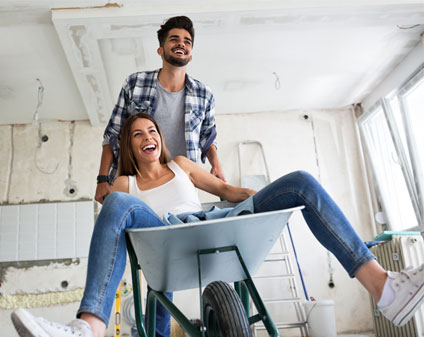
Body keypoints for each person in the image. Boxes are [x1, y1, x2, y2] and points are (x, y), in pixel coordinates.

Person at [11, 113, 424, 337]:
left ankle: (383, 287)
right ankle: (89, 328)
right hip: (163, 237)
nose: (147, 136)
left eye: (152, 129)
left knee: (300, 180)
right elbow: (117, 214)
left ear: (160, 138)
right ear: (130, 146)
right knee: (118, 204)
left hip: (218, 227)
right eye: (137, 134)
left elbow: (228, 192)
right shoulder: (126, 183)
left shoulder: (182, 164)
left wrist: (268, 201)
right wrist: (104, 182)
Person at [95, 15, 225, 205]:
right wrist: (102, 179)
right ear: (160, 50)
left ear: (190, 55)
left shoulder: (204, 94)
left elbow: (208, 136)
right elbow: (113, 133)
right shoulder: (135, 83)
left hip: (180, 184)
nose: (181, 43)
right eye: (174, 39)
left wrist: (216, 166)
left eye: (186, 41)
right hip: (137, 181)